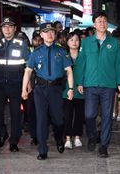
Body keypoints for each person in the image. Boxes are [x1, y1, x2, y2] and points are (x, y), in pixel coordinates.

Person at [21, 22, 74, 160]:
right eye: (46, 32)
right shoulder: (36, 52)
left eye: (52, 31)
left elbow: (68, 71)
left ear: (54, 34)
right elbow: (28, 71)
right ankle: (42, 150)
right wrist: (24, 89)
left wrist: (71, 88)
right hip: (40, 90)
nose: (49, 34)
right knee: (41, 119)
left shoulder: (61, 51)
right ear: (42, 34)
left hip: (56, 89)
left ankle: (59, 138)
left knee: (58, 119)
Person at [76, 11, 120, 158]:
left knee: (107, 116)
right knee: (89, 115)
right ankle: (92, 135)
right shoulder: (86, 42)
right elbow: (81, 63)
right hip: (90, 84)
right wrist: (79, 81)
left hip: (108, 85)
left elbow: (119, 64)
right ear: (94, 24)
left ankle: (104, 145)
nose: (102, 23)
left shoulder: (114, 43)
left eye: (104, 21)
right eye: (99, 21)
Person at [0, 17, 30, 152]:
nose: (7, 29)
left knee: (16, 114)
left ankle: (14, 141)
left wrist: (28, 83)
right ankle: (2, 134)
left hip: (16, 84)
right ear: (1, 29)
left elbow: (28, 65)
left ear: (14, 28)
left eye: (10, 26)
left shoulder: (22, 44)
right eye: (4, 27)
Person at [63, 32, 84, 149]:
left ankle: (77, 137)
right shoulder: (64, 56)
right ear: (67, 42)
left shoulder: (83, 56)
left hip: (80, 90)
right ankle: (67, 138)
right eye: (71, 40)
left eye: (76, 40)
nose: (74, 42)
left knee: (79, 115)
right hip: (66, 90)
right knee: (67, 115)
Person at [111, 29, 120, 121]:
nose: (119, 42)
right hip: (112, 76)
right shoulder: (110, 49)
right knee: (113, 95)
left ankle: (119, 113)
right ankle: (113, 111)